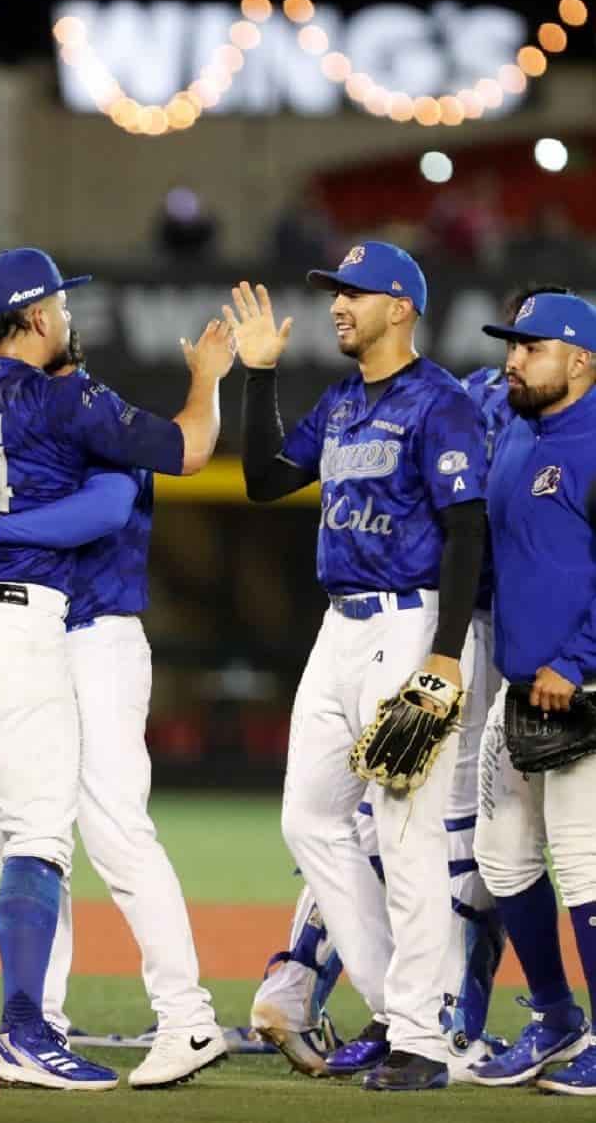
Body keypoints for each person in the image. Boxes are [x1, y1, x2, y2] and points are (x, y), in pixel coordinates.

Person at [0, 249, 234, 1090]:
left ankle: (186, 1017)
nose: (73, 320)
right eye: (63, 307)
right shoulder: (66, 407)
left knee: (107, 828)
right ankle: (37, 1022)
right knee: (28, 837)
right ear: (36, 318)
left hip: (89, 637)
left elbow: (110, 502)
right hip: (19, 635)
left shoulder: (85, 411)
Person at [230, 241, 489, 1091]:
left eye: (355, 292)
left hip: (410, 631)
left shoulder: (438, 402)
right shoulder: (342, 402)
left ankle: (423, 1035)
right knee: (310, 820)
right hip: (339, 632)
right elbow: (266, 480)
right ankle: (400, 1009)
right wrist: (259, 376)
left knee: (407, 835)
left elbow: (465, 531)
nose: (338, 305)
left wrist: (446, 656)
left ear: (401, 307)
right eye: (334, 293)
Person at [470, 290, 596, 1095]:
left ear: (581, 360)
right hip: (521, 686)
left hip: (581, 684)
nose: (513, 359)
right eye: (512, 346)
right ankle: (554, 1016)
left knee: (585, 869)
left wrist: (578, 661)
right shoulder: (518, 431)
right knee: (503, 861)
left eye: (533, 347)